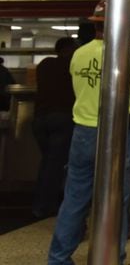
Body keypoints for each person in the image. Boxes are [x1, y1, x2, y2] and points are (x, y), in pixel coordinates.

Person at [48, 1, 130, 265]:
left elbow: (77, 89)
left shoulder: (79, 54)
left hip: (82, 132)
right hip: (116, 135)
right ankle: (112, 257)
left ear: (95, 24)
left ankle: (58, 258)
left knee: (74, 197)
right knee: (117, 198)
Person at [32, 37, 78, 218]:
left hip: (40, 119)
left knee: (48, 163)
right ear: (70, 49)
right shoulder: (73, 66)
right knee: (56, 164)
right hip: (62, 118)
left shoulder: (44, 65)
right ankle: (46, 206)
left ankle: (42, 203)